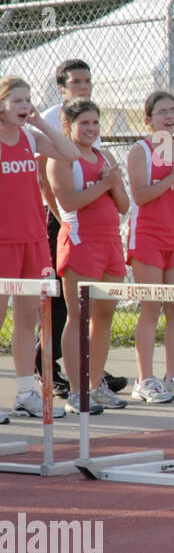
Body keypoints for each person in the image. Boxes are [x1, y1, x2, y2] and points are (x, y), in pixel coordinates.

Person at [35, 59, 127, 398]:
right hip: (77, 239)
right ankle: (72, 386)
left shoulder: (103, 157)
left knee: (102, 318)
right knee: (74, 314)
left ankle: (95, 382)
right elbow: (67, 200)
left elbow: (125, 203)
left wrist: (112, 184)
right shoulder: (63, 155)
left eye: (95, 122)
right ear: (67, 125)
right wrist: (105, 187)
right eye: (84, 122)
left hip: (110, 243)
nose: (91, 128)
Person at [0, 77, 78, 421]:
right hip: (3, 241)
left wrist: (39, 121)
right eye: (17, 100)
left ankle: (24, 393)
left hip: (32, 240)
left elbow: (70, 152)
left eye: (27, 100)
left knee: (27, 321)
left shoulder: (30, 136)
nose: (24, 105)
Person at [126, 91, 174, 404]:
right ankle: (145, 379)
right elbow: (141, 195)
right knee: (151, 307)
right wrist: (172, 176)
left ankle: (173, 375)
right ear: (148, 119)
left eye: (173, 110)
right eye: (162, 112)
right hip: (148, 236)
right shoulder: (139, 151)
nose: (169, 116)